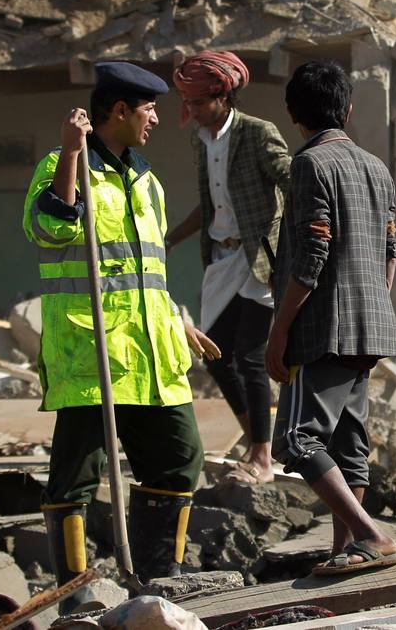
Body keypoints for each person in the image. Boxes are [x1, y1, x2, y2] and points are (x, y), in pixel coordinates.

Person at [22, 62, 220, 605]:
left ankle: (162, 580)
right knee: (76, 477)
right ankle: (75, 595)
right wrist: (69, 153)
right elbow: (50, 225)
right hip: (95, 353)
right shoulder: (64, 166)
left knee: (181, 459)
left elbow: (147, 269)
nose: (157, 118)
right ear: (119, 112)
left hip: (153, 353)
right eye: (149, 109)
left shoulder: (147, 181)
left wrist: (177, 317)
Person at [266, 61, 396, 577]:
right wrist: (372, 303)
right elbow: (390, 250)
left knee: (297, 440)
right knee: (349, 443)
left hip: (323, 329)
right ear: (346, 110)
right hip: (370, 325)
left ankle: (369, 535)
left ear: (293, 115)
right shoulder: (377, 167)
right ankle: (347, 550)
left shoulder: (309, 166)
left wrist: (278, 332)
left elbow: (311, 256)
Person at [166, 51, 292, 484]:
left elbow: (291, 181)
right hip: (222, 258)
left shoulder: (258, 134)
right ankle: (258, 440)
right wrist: (167, 240)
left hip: (260, 259)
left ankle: (261, 458)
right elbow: (210, 204)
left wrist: (299, 242)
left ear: (223, 96)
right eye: (189, 103)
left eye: (199, 103)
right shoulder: (201, 142)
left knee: (250, 357)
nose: (192, 111)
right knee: (217, 356)